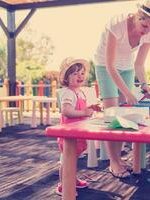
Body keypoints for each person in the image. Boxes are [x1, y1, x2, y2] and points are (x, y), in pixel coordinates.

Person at [94, 0, 150, 178]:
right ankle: (113, 162)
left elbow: (139, 64)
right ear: (137, 15)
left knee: (123, 116)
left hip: (127, 67)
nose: (147, 31)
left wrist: (143, 84)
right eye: (144, 25)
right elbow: (110, 65)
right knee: (112, 112)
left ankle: (118, 159)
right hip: (105, 65)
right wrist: (127, 92)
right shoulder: (116, 25)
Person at [56, 57, 95, 196]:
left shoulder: (80, 92)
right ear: (66, 78)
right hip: (68, 134)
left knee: (73, 159)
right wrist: (84, 112)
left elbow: (80, 109)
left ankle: (71, 179)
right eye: (75, 73)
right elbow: (67, 111)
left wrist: (89, 109)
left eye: (82, 73)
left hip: (77, 132)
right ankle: (64, 185)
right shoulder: (68, 93)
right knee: (66, 160)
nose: (80, 76)